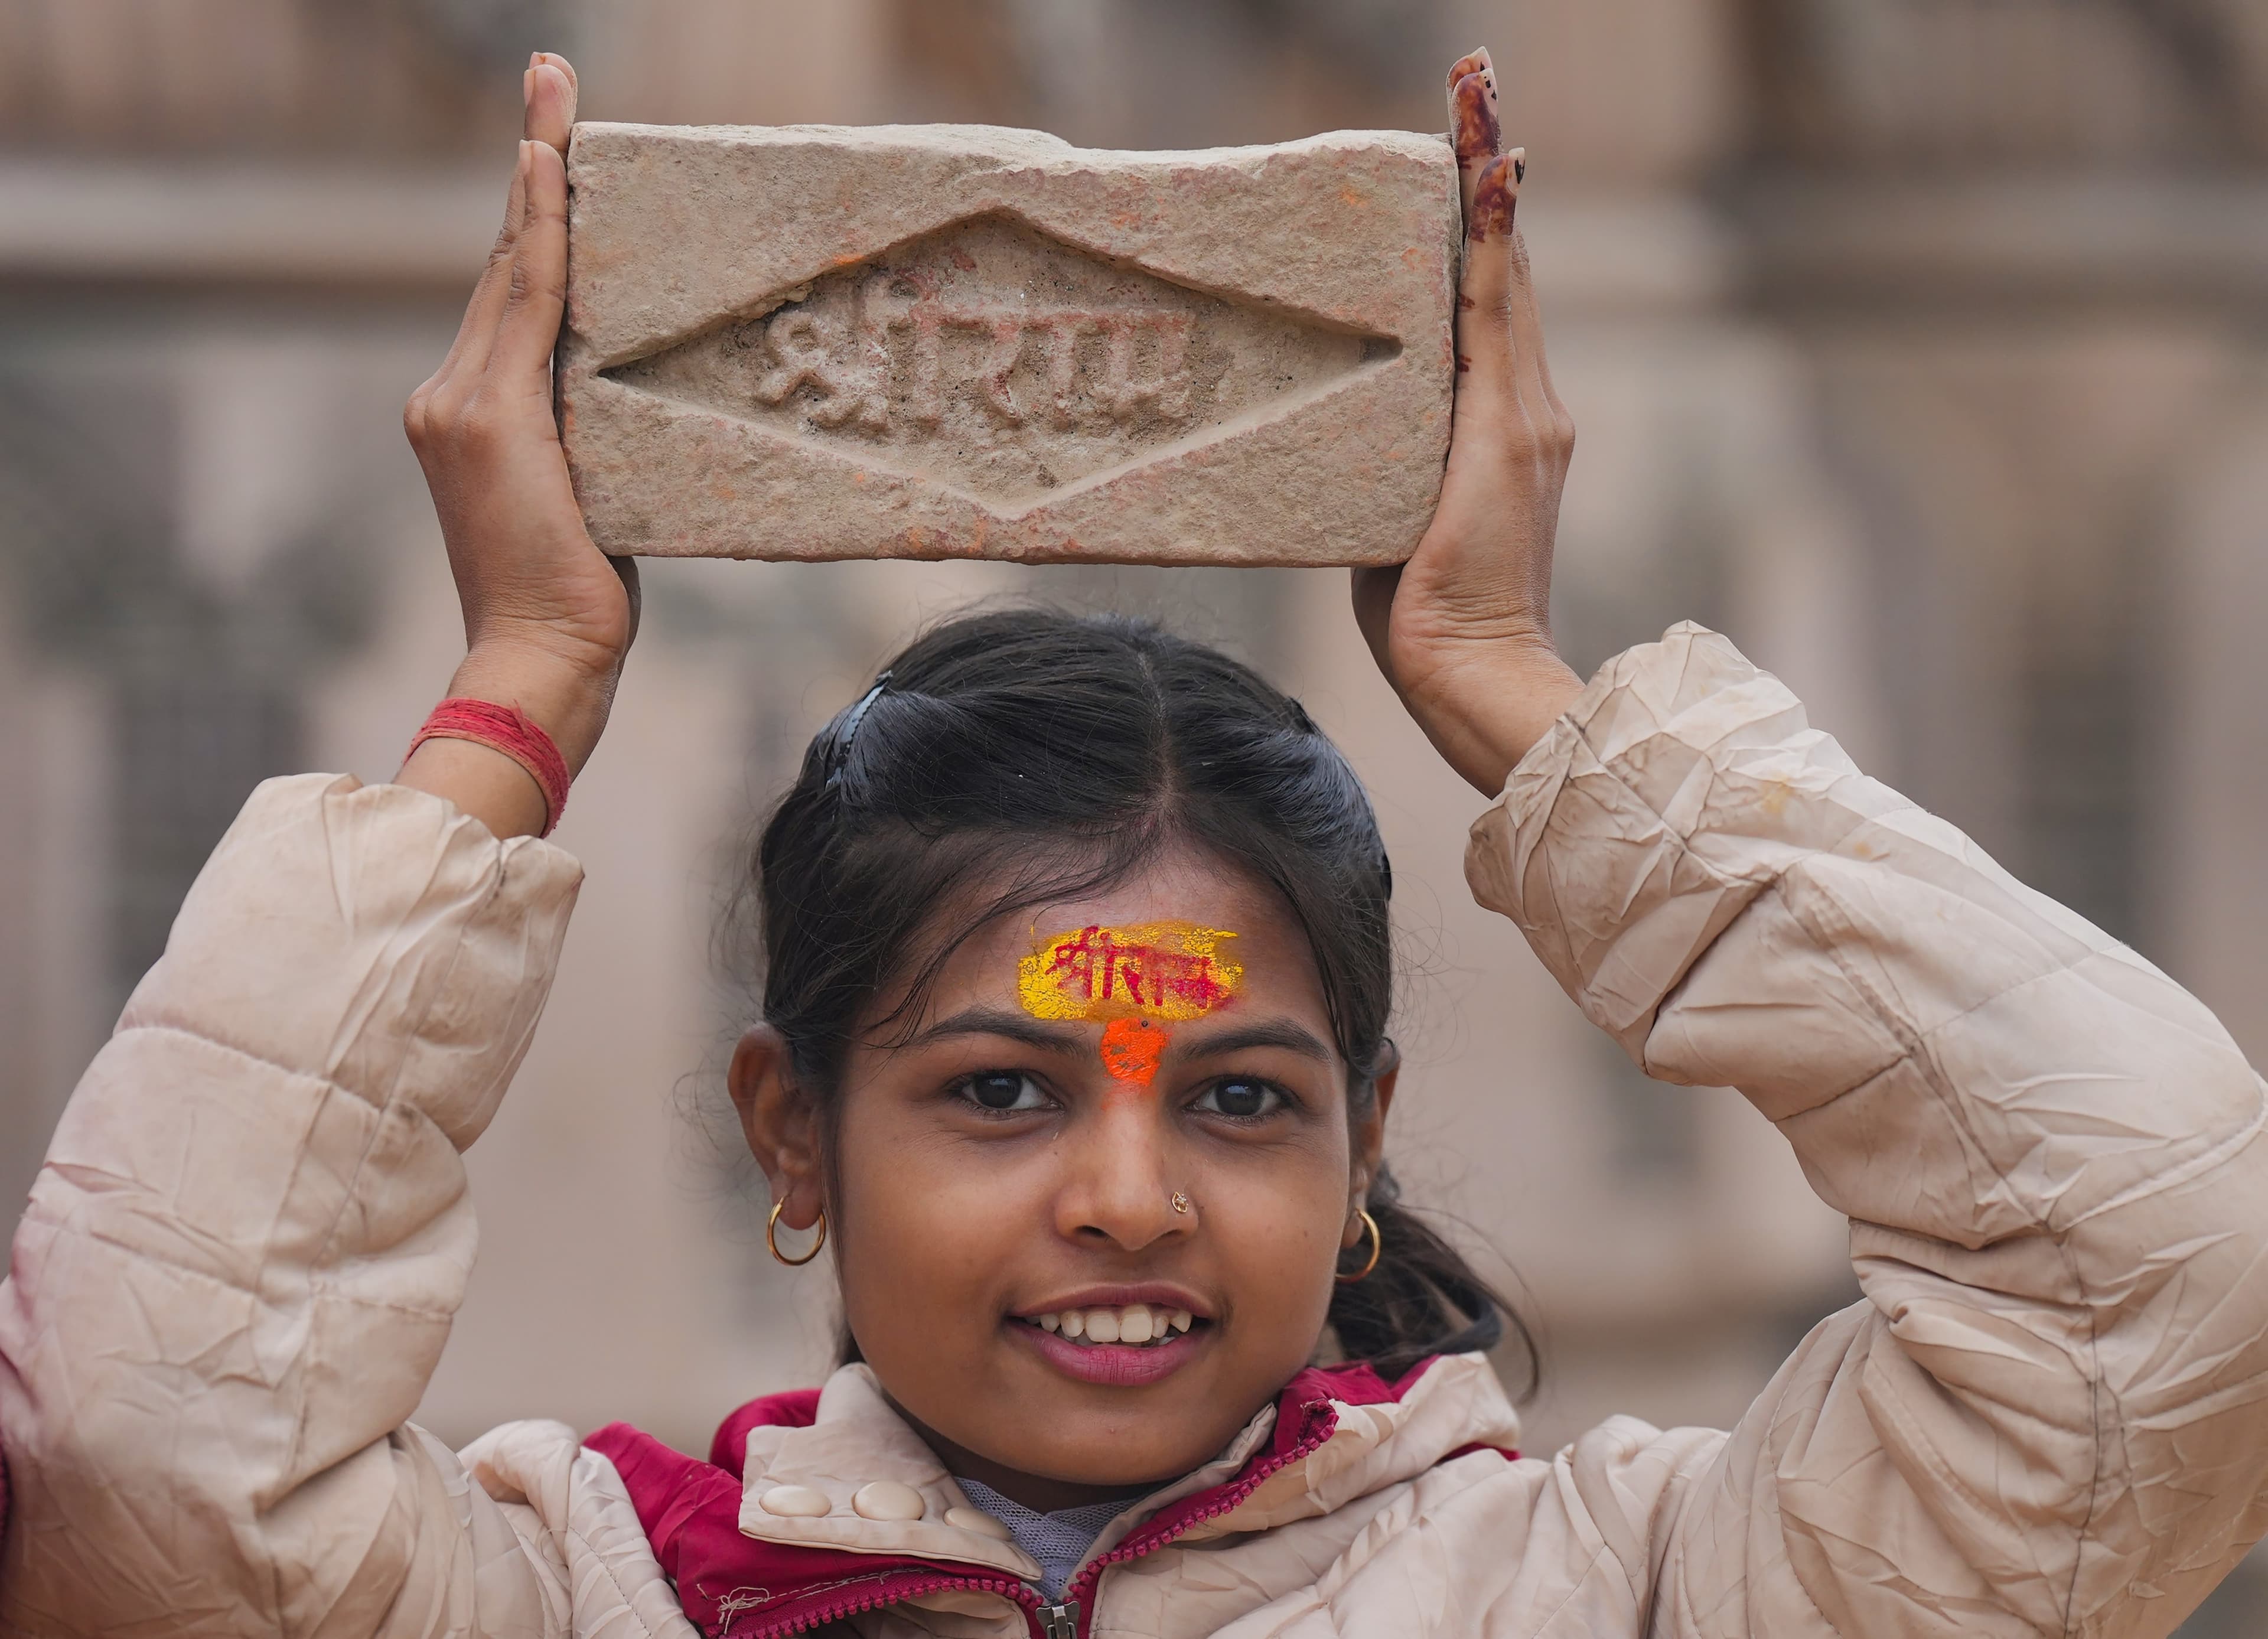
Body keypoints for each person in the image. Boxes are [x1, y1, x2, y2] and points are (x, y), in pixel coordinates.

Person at [2, 43, 2266, 1639]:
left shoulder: (1635, 1592)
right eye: (999, 1089)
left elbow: (2160, 1273)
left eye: (1244, 1100)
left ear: (1365, 1140)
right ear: (790, 1136)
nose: (1127, 1194)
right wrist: (515, 692)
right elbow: (129, 1460)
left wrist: (1523, 694)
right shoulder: (583, 1595)